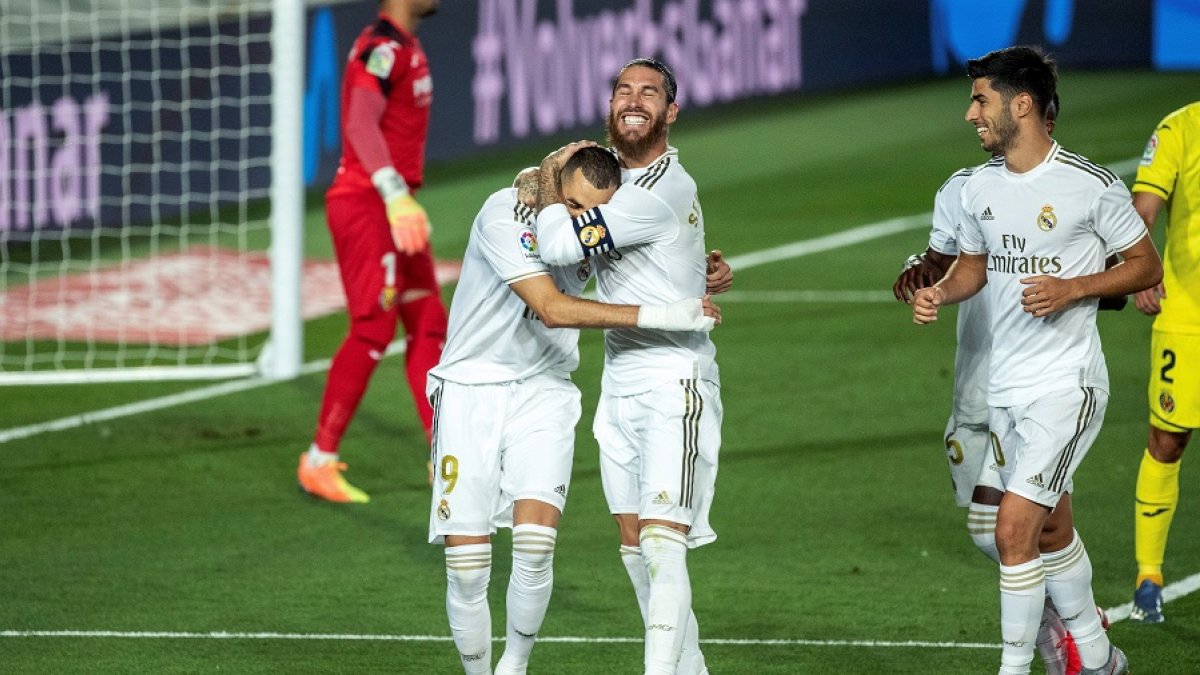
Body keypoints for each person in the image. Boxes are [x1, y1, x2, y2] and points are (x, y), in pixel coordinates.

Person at [911, 46, 1162, 675]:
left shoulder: (1090, 184)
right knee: (1050, 532)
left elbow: (1145, 266)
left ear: (1021, 105)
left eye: (980, 100)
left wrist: (1073, 287)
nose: (971, 114)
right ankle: (1101, 658)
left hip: (1067, 386)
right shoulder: (981, 189)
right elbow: (973, 267)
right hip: (1006, 389)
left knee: (1011, 530)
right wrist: (940, 290)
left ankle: (1017, 667)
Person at [429, 146, 722, 675]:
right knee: (468, 568)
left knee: (536, 548)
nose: (576, 220)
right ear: (552, 187)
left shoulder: (590, 225)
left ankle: (513, 667)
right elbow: (553, 308)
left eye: (588, 212)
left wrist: (705, 270)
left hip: (545, 389)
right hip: (472, 388)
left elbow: (655, 252)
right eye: (569, 204)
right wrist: (668, 315)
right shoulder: (504, 214)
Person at [531, 58, 720, 675]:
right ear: (610, 105)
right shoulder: (619, 187)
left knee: (664, 547)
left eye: (650, 93)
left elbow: (559, 247)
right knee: (638, 550)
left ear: (671, 111)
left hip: (674, 381)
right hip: (620, 382)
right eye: (622, 90)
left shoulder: (658, 192)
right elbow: (597, 266)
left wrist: (552, 182)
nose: (633, 100)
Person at [298, 0, 446, 503]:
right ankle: (318, 460)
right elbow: (360, 125)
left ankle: (444, 449)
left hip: (394, 205)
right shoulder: (380, 49)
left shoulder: (405, 46)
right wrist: (393, 193)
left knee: (427, 317)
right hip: (369, 205)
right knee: (374, 328)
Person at [1128, 100, 1200, 624]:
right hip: (1188, 317)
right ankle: (1148, 574)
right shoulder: (1181, 126)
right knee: (1167, 439)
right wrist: (1143, 266)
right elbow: (1145, 208)